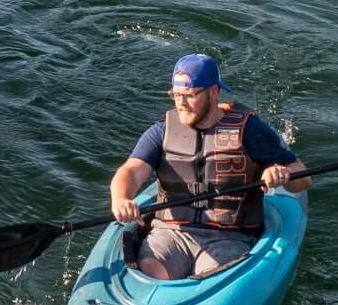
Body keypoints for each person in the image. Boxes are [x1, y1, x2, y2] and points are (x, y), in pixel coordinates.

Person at [109, 54, 306, 279]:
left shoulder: (250, 130)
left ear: (213, 92)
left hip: (230, 237)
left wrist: (282, 173)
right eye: (176, 95)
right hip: (172, 233)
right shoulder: (161, 132)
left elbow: (302, 178)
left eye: (190, 95)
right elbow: (131, 171)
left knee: (211, 276)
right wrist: (121, 198)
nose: (180, 103)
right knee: (151, 271)